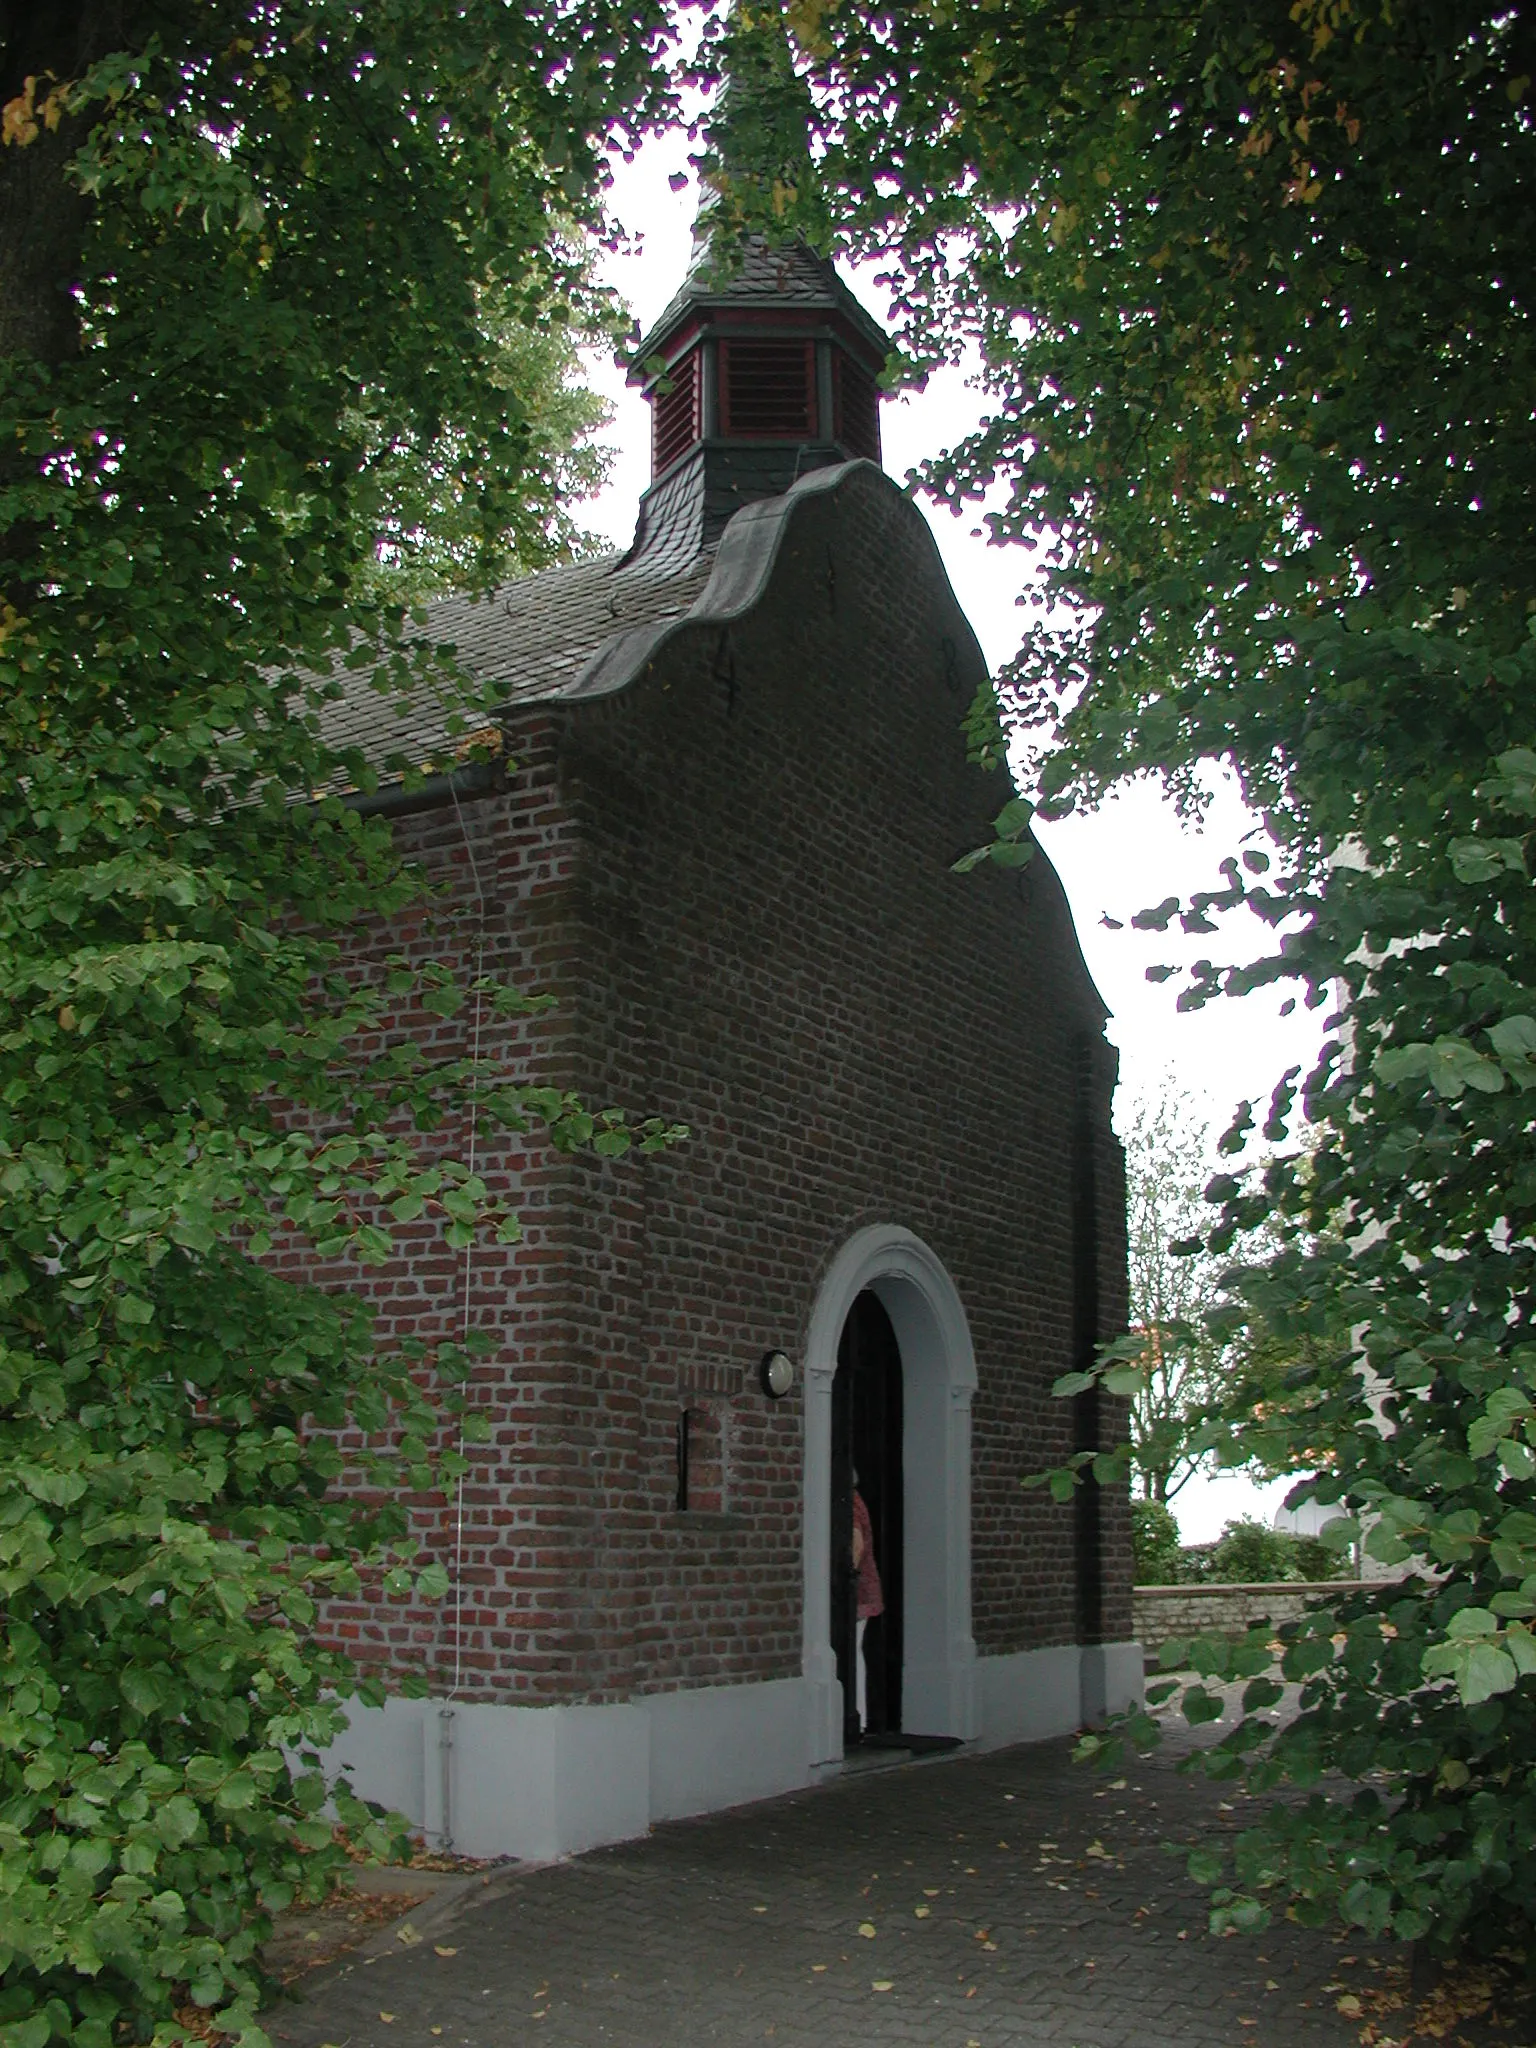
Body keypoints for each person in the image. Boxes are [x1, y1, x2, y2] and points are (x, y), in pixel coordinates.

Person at [850, 1475, 883, 1732]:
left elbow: (856, 1545)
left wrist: (846, 1577)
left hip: (857, 1592)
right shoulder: (857, 1500)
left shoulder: (849, 1503)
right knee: (855, 1651)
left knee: (852, 1652)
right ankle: (859, 1716)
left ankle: (858, 1717)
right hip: (863, 1589)